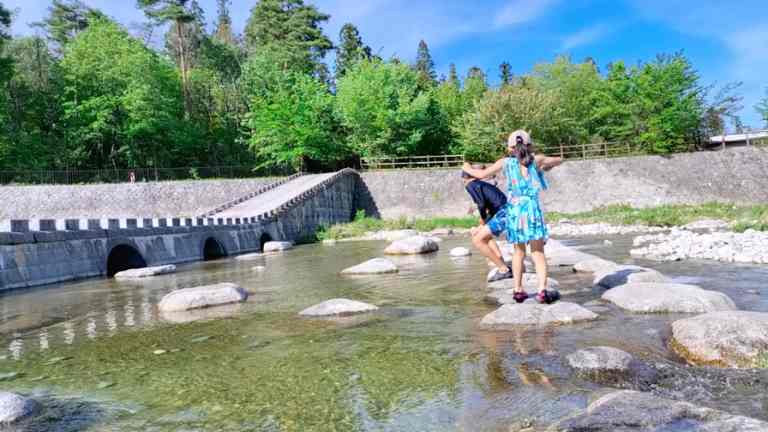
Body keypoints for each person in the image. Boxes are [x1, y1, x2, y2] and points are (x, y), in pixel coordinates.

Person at [462, 130, 562, 304]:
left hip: (514, 210)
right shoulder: (536, 160)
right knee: (538, 252)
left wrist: (466, 167)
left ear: (510, 148)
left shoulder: (505, 162)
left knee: (518, 252)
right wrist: (548, 165)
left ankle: (518, 290)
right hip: (532, 209)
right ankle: (542, 291)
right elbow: (560, 159)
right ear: (530, 145)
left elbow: (479, 175)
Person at [462, 169, 509, 276]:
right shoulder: (481, 184)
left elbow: (481, 204)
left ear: (464, 178)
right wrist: (484, 222)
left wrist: (483, 219)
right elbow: (491, 203)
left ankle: (503, 269)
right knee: (484, 236)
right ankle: (501, 262)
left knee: (477, 240)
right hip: (503, 211)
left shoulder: (470, 184)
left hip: (503, 212)